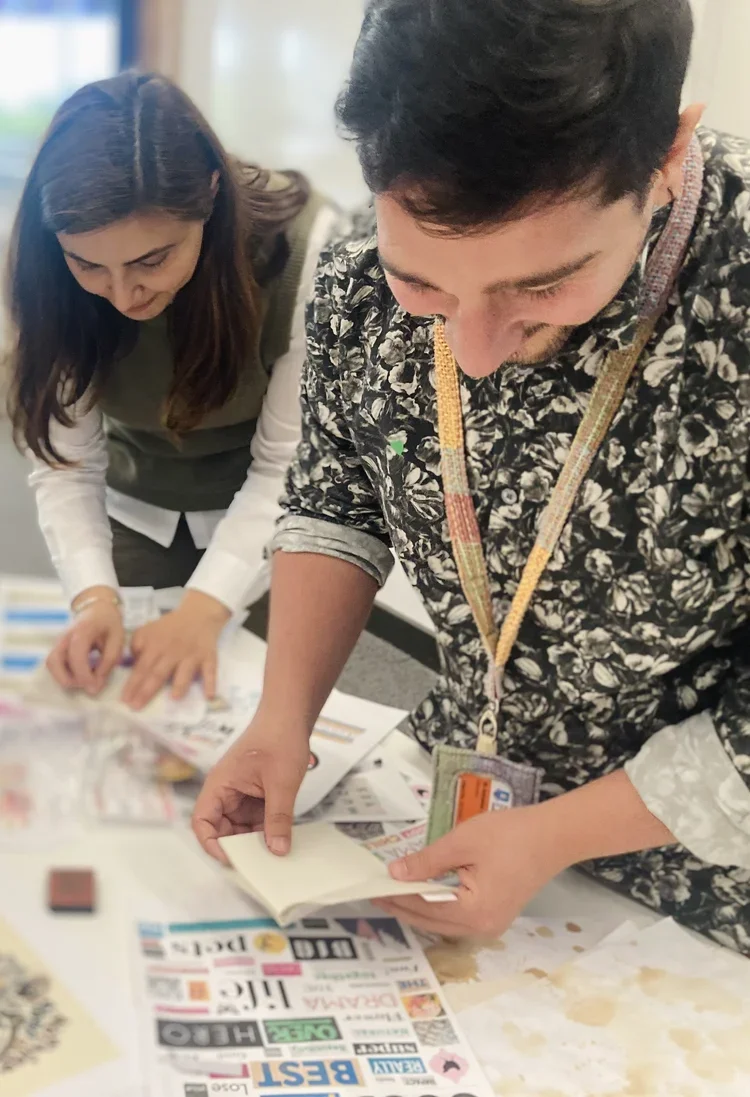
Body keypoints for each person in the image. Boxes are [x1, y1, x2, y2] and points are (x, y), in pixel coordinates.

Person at [193, 0, 750, 955]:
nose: (474, 349)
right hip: (460, 795)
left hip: (699, 880)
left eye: (543, 285)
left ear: (665, 154)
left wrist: (558, 835)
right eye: (426, 286)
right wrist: (283, 718)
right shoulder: (360, 278)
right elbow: (338, 497)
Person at [6, 72, 336, 709]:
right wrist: (93, 596)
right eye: (90, 266)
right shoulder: (45, 267)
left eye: (151, 260)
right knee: (127, 707)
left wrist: (206, 608)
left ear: (211, 195)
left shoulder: (307, 255)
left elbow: (284, 468)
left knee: (263, 708)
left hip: (268, 516)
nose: (125, 295)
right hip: (134, 506)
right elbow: (68, 464)